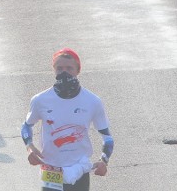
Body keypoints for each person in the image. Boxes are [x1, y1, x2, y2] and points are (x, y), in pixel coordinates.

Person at [22, 49, 114, 191]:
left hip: (79, 168)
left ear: (78, 70)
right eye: (59, 68)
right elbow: (27, 126)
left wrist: (104, 161)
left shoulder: (92, 101)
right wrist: (30, 147)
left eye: (69, 68)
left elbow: (107, 137)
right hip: (51, 168)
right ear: (54, 70)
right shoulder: (40, 100)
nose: (64, 72)